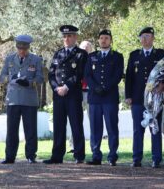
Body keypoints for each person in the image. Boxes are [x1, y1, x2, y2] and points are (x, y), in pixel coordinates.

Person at [43, 25, 88, 164]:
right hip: (59, 95)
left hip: (73, 94)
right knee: (58, 126)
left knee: (76, 125)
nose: (66, 39)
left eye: (69, 36)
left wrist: (67, 86)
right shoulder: (58, 53)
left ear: (75, 37)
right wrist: (57, 88)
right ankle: (56, 156)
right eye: (64, 36)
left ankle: (79, 155)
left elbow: (80, 74)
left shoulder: (81, 54)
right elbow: (51, 74)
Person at [125, 27, 164, 168]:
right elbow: (129, 77)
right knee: (138, 129)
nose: (144, 39)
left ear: (153, 38)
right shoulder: (134, 55)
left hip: (155, 98)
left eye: (147, 36)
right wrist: (128, 96)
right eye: (142, 37)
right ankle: (136, 158)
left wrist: (163, 85)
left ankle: (156, 159)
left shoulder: (161, 54)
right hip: (138, 98)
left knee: (154, 128)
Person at [0, 35, 44, 164]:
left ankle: (31, 155)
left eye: (24, 49)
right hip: (13, 99)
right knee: (12, 129)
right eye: (19, 49)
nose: (22, 51)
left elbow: (40, 78)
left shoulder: (35, 59)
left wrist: (29, 83)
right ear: (16, 47)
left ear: (28, 48)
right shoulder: (9, 59)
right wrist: (10, 78)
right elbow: (1, 77)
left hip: (29, 99)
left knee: (30, 129)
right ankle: (10, 156)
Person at [84, 29, 124, 166]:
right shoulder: (91, 56)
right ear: (98, 40)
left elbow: (117, 75)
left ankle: (112, 156)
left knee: (112, 127)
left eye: (106, 38)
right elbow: (87, 75)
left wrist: (105, 87)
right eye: (101, 38)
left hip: (109, 97)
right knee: (95, 128)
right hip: (94, 98)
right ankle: (96, 156)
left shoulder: (117, 56)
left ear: (111, 40)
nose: (103, 40)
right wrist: (95, 87)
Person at [67, 40, 94, 154]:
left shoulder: (93, 59)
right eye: (84, 47)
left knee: (92, 119)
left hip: (90, 92)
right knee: (75, 120)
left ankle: (94, 145)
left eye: (88, 47)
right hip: (77, 92)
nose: (86, 48)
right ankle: (73, 145)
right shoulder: (76, 58)